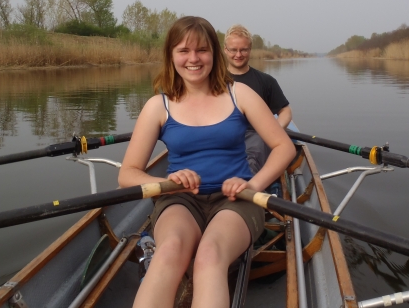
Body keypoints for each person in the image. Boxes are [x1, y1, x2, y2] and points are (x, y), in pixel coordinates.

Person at [118, 16, 295, 308]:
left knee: (210, 254)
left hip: (237, 199)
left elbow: (283, 147)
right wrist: (166, 183)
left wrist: (252, 184)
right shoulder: (157, 106)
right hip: (179, 199)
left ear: (214, 53)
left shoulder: (240, 94)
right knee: (169, 251)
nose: (193, 59)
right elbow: (128, 174)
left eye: (201, 50)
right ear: (171, 55)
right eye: (183, 51)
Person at [224, 24, 293, 175]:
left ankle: (247, 187)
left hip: (256, 137)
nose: (238, 54)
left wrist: (275, 132)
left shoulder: (266, 81)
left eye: (243, 49)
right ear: (225, 50)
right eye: (233, 50)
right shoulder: (213, 81)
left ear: (250, 50)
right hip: (223, 136)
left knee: (249, 163)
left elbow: (285, 111)